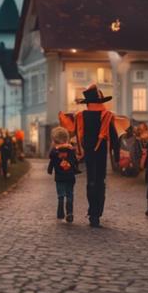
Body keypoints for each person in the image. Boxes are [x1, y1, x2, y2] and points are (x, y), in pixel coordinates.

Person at [73, 84, 119, 227]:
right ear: (100, 101)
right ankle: (96, 214)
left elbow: (76, 135)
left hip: (88, 153)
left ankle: (92, 212)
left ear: (87, 103)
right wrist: (116, 155)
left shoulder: (80, 116)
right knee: (100, 182)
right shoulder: (106, 116)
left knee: (90, 182)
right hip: (100, 154)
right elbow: (114, 137)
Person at [46, 127, 79, 222]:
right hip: (70, 176)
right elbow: (75, 161)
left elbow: (51, 160)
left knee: (61, 195)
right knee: (70, 194)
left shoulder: (54, 151)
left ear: (54, 139)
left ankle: (60, 213)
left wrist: (50, 170)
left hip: (59, 177)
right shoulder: (71, 149)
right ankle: (70, 213)